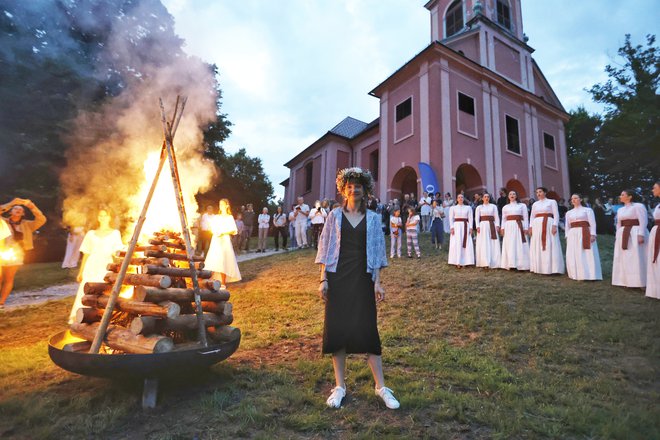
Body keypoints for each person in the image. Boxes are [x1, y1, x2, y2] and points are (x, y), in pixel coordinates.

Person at [316, 167, 399, 410]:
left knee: (368, 331)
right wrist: (323, 279)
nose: (354, 189)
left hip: (363, 279)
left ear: (365, 190)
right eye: (350, 186)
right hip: (337, 278)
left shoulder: (373, 218)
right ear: (344, 189)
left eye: (359, 186)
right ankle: (340, 386)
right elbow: (325, 247)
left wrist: (377, 282)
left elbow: (377, 251)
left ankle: (381, 387)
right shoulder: (334, 216)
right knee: (337, 329)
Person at [68, 208, 123, 323]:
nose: (103, 218)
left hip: (106, 264)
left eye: (105, 215)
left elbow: (117, 254)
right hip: (92, 264)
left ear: (110, 218)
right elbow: (86, 254)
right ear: (97, 218)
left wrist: (118, 269)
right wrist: (81, 272)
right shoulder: (90, 234)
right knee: (88, 289)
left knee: (103, 290)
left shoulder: (115, 233)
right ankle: (83, 316)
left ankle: (101, 317)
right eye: (100, 215)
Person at [0, 198, 47, 307]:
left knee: (9, 278)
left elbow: (42, 219)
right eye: (15, 208)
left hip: (16, 255)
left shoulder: (27, 225)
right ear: (10, 212)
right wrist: (12, 203)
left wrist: (32, 206)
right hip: (1, 252)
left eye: (20, 209)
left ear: (23, 213)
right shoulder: (3, 221)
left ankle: (1, 302)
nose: (18, 210)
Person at [611, 189, 647, 289]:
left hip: (635, 232)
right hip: (623, 233)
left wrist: (641, 234)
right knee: (624, 256)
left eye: (622, 195)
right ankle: (626, 280)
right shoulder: (620, 209)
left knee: (636, 256)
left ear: (630, 196)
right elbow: (618, 223)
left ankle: (640, 281)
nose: (620, 196)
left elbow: (643, 220)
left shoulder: (638, 206)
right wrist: (617, 235)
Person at [205, 199, 241, 289]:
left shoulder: (229, 217)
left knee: (223, 260)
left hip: (224, 240)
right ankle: (209, 280)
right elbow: (213, 227)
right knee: (214, 259)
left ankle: (223, 283)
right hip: (216, 239)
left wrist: (223, 232)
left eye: (222, 204)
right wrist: (215, 231)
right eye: (219, 204)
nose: (220, 206)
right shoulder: (217, 217)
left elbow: (234, 230)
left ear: (226, 206)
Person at [564, 194, 602, 281]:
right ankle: (576, 273)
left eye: (576, 198)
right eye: (572, 198)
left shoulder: (587, 210)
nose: (573, 200)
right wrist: (567, 236)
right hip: (573, 234)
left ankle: (589, 274)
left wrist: (593, 234)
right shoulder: (569, 213)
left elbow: (592, 223)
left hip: (584, 232)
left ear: (580, 199)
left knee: (586, 252)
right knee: (574, 252)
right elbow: (567, 226)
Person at [529, 187, 565, 275]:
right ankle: (539, 267)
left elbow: (556, 214)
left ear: (545, 192)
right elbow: (532, 216)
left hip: (548, 223)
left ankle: (553, 268)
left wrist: (555, 225)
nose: (538, 194)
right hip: (537, 225)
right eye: (537, 192)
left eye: (540, 192)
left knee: (550, 243)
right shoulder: (535, 204)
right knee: (538, 243)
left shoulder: (551, 202)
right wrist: (530, 226)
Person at [500, 190, 530, 270]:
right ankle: (511, 264)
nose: (512, 195)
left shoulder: (522, 205)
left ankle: (522, 264)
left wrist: (526, 228)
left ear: (516, 196)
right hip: (509, 226)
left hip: (519, 225)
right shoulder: (505, 207)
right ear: (508, 196)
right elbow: (503, 219)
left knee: (520, 243)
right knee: (510, 244)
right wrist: (502, 228)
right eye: (510, 194)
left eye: (514, 194)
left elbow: (526, 217)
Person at [475, 193, 501, 269]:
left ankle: (495, 262)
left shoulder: (493, 206)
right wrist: (477, 226)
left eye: (488, 197)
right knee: (484, 243)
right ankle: (484, 262)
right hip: (483, 226)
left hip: (492, 226)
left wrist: (497, 225)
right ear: (482, 198)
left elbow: (496, 216)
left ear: (489, 198)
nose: (486, 198)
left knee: (492, 242)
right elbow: (476, 218)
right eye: (485, 197)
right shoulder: (479, 207)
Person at [448, 194, 474, 267]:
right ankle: (457, 261)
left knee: (466, 243)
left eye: (462, 197)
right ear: (457, 199)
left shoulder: (468, 208)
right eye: (459, 197)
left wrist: (471, 227)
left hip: (466, 226)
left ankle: (466, 261)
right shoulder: (453, 208)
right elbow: (451, 219)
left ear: (463, 199)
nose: (460, 199)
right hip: (457, 226)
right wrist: (452, 227)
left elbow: (470, 218)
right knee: (457, 242)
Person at [646, 182, 660, 299]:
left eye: (654, 188)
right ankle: (655, 289)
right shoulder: (658, 205)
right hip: (656, 231)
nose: (652, 190)